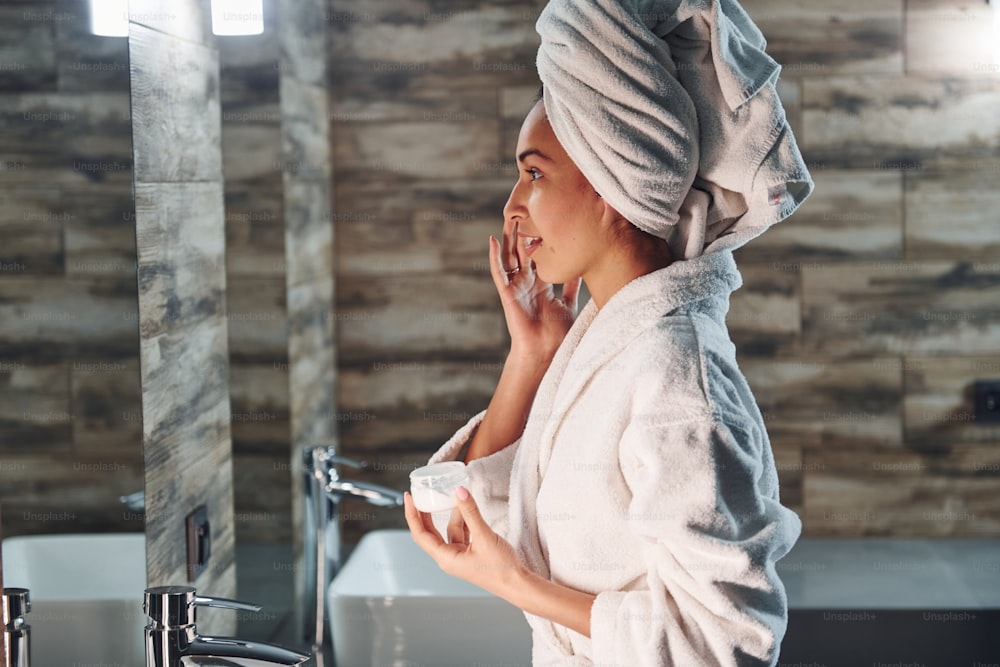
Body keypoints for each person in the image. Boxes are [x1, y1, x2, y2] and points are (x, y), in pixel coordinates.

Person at [404, 0, 812, 664]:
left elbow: (726, 642)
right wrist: (531, 354)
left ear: (608, 180)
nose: (512, 206)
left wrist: (519, 585)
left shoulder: (676, 374)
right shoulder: (610, 352)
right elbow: (461, 518)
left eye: (533, 173)